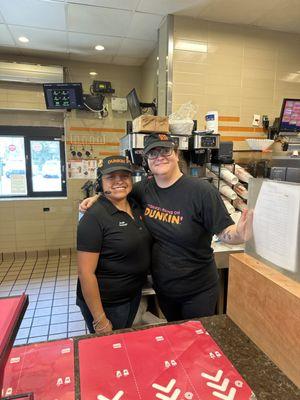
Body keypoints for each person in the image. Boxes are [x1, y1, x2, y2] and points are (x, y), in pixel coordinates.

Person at [79, 133, 253, 322]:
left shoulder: (201, 191)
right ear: (147, 160)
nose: (159, 156)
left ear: (176, 154)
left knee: (195, 341)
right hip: (164, 288)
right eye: (153, 153)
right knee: (175, 337)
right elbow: (119, 191)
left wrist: (239, 234)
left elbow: (224, 231)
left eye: (165, 150)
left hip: (197, 290)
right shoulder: (143, 189)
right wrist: (97, 198)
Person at [76, 155, 152, 334]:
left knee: (122, 343)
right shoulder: (93, 217)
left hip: (132, 294)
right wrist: (100, 320)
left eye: (124, 176)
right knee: (107, 352)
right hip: (108, 303)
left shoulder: (135, 205)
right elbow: (85, 273)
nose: (119, 181)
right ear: (100, 183)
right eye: (111, 177)